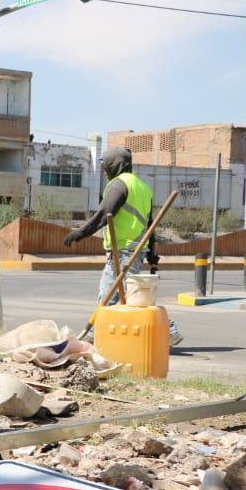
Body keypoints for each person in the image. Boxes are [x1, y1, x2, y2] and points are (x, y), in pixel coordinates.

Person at [63, 146, 182, 347]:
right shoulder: (142, 187)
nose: (104, 169)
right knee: (131, 295)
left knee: (111, 296)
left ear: (114, 165)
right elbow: (150, 224)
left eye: (105, 165)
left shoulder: (118, 185)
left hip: (123, 251)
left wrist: (80, 233)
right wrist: (152, 253)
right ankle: (167, 330)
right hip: (135, 249)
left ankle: (98, 335)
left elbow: (103, 214)